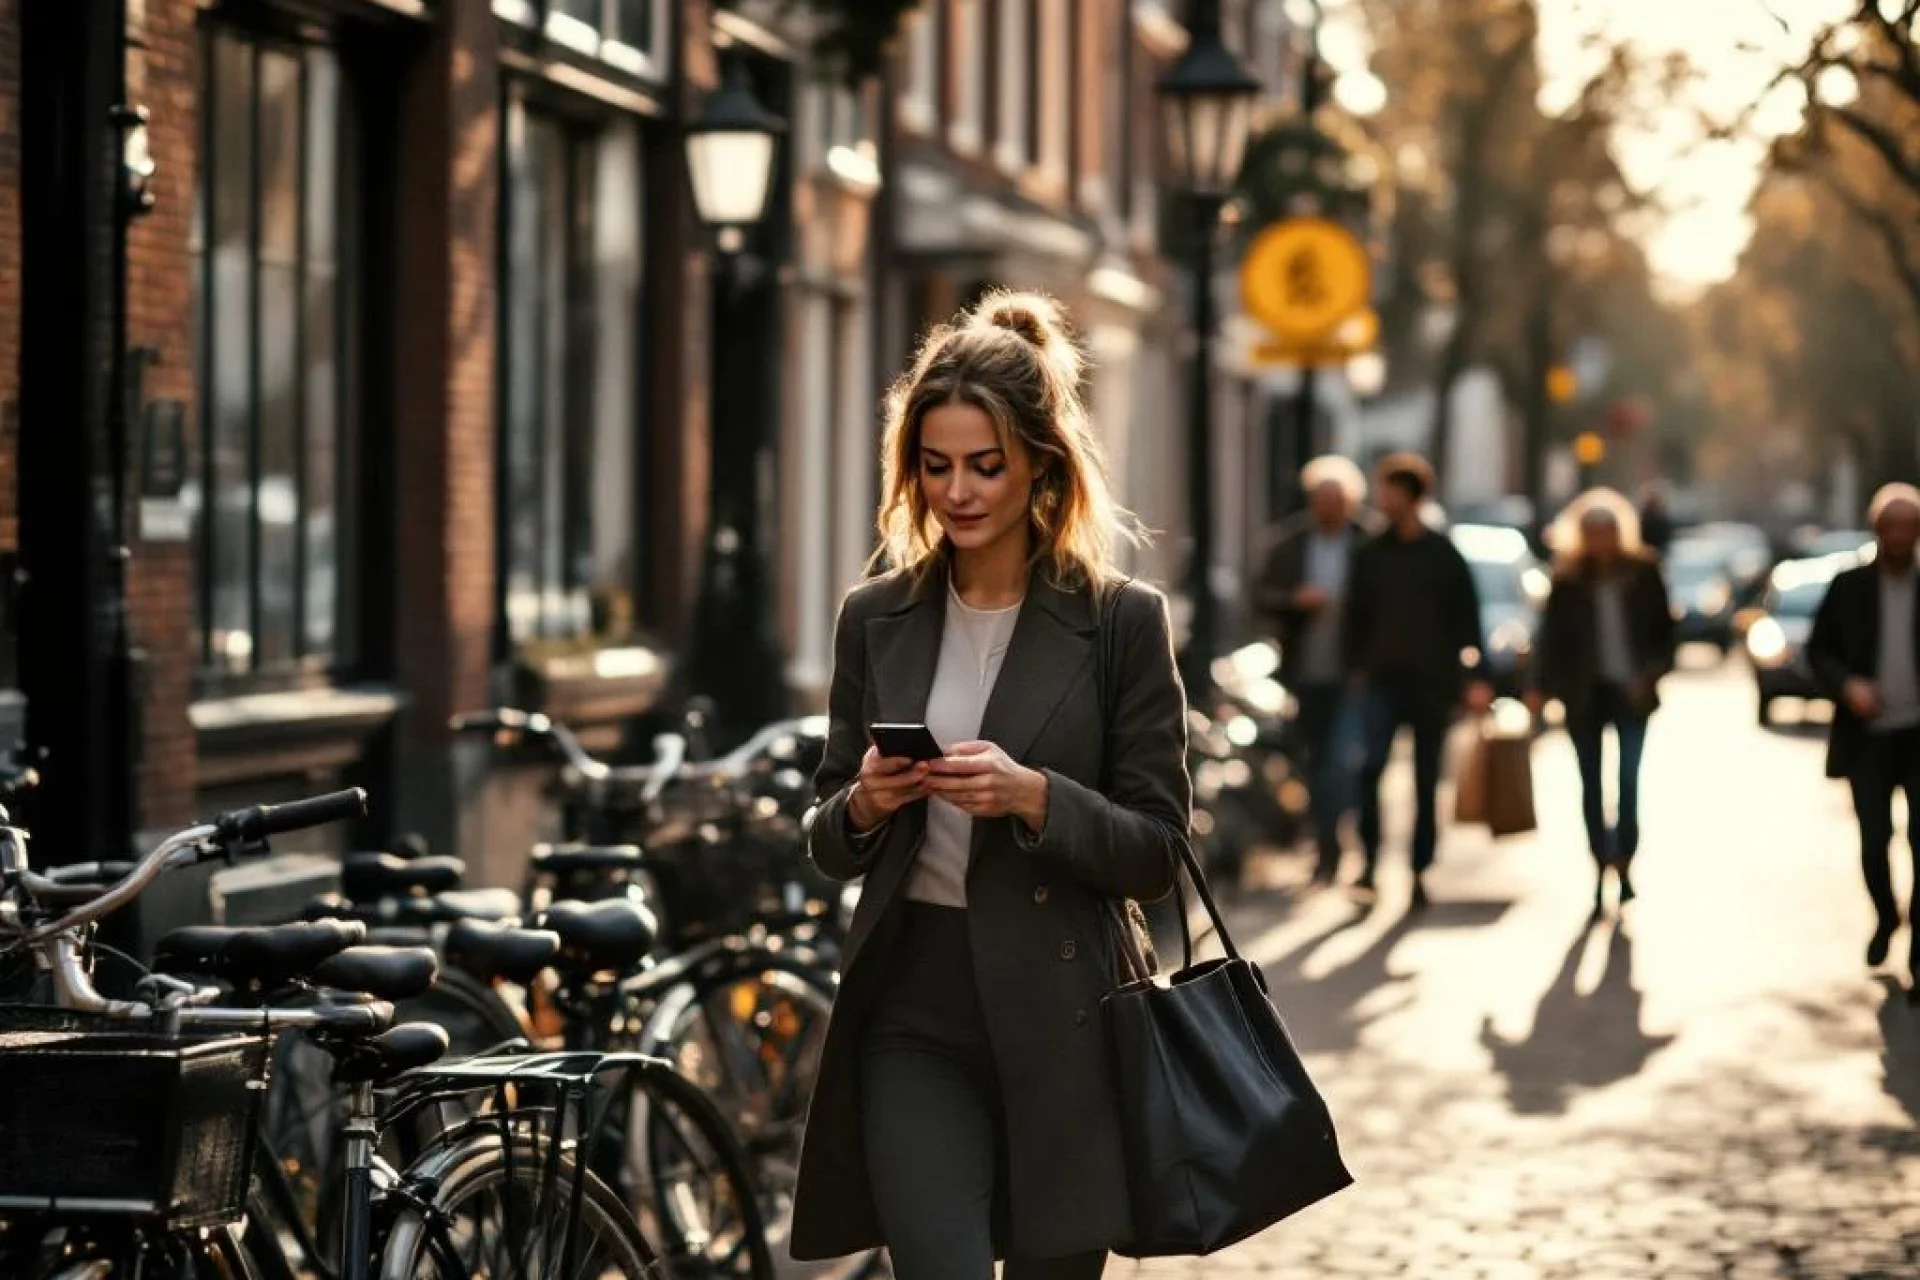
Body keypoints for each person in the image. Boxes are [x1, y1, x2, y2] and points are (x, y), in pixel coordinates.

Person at [789, 290, 1192, 1280]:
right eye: (936, 466)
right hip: (911, 1005)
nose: (958, 491)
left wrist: (1035, 797)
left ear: (1039, 464)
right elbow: (825, 830)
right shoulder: (875, 615)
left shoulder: (1119, 622)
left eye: (985, 464)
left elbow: (1157, 850)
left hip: (1068, 1011)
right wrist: (868, 803)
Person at [1343, 453, 1492, 909]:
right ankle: (1368, 864)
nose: (1380, 498)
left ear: (1411, 496)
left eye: (1388, 490)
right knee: (1370, 772)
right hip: (1381, 681)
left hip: (1432, 683)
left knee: (1427, 781)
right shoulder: (1370, 553)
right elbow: (1355, 616)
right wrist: (1356, 667)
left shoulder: (1443, 555)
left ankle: (1419, 869)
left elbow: (1468, 619)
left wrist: (1474, 678)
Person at [1525, 489, 1676, 919]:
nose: (1598, 540)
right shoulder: (1568, 579)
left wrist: (1651, 673)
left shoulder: (1644, 571)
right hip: (1583, 695)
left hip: (1633, 694)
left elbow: (1666, 635)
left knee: (1628, 781)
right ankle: (1599, 865)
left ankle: (1625, 861)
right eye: (1590, 532)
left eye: (1605, 531)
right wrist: (1539, 686)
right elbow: (1549, 640)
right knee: (1591, 785)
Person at [1806, 483, 1920, 994]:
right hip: (1867, 737)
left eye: (1909, 527)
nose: (1899, 536)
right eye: (1891, 527)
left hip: (1918, 737)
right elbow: (1818, 652)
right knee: (1875, 841)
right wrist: (1849, 687)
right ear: (1877, 531)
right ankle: (1885, 915)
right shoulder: (1849, 587)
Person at [1253, 454, 1379, 884]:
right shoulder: (1290, 543)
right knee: (1313, 760)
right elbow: (1263, 595)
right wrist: (1295, 601)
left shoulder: (1368, 541)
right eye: (1321, 500)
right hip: (1305, 671)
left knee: (1341, 763)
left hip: (1354, 674)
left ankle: (1335, 847)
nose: (1328, 508)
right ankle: (1328, 842)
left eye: (1337, 500)